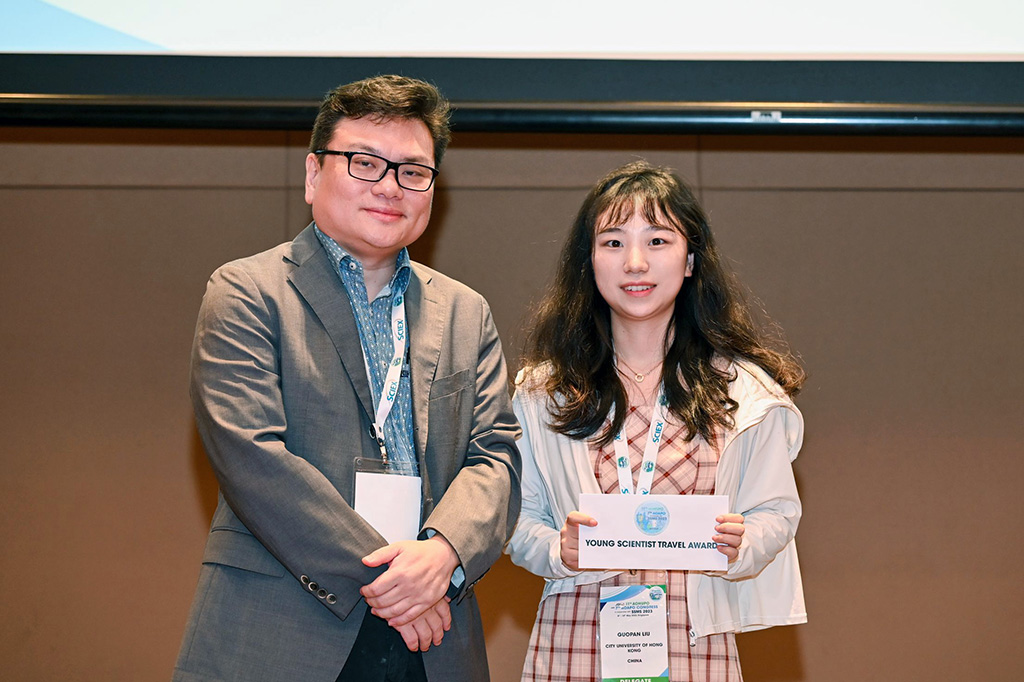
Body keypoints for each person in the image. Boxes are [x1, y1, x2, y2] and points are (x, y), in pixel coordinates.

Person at [173, 75, 521, 682]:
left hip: (434, 639)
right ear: (313, 175)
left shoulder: (466, 311)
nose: (390, 186)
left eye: (413, 171)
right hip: (284, 626)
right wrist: (396, 583)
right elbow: (253, 456)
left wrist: (441, 555)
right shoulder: (246, 292)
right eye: (365, 162)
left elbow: (496, 457)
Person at [505, 160, 806, 681]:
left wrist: (741, 544)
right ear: (590, 261)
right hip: (573, 643)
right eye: (614, 242)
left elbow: (776, 512)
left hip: (696, 644)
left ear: (690, 260)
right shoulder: (544, 392)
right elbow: (516, 518)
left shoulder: (744, 392)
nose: (636, 263)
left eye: (659, 241)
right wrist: (559, 549)